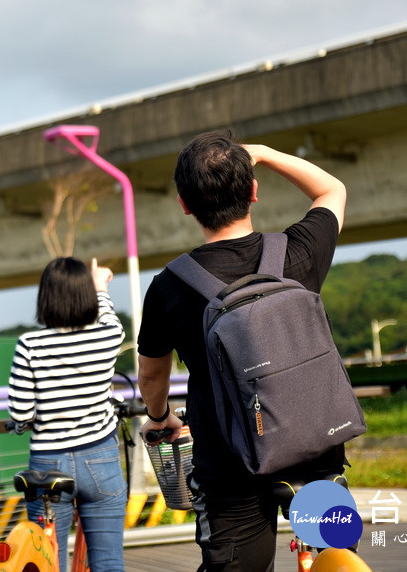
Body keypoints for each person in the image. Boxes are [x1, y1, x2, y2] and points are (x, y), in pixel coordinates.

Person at [137, 130, 348, 572]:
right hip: (315, 452)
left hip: (229, 468)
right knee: (336, 559)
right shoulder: (297, 252)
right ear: (253, 191)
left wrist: (160, 418)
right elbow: (332, 189)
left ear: (185, 204)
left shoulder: (169, 286)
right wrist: (267, 154)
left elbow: (153, 377)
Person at [7, 256, 127, 572]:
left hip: (48, 464)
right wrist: (99, 284)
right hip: (101, 458)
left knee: (46, 560)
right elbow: (109, 316)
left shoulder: (30, 344)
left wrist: (21, 423)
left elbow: (20, 411)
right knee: (109, 561)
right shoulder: (108, 336)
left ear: (46, 297)